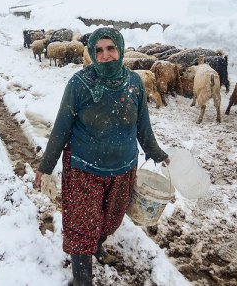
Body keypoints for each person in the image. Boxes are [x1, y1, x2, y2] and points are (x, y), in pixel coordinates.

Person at [33, 27, 169, 285]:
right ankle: (82, 277)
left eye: (110, 48)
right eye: (99, 50)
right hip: (84, 168)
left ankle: (97, 245)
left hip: (123, 169)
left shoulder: (134, 83)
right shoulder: (79, 84)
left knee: (110, 219)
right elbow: (62, 127)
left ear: (120, 48)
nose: (105, 55)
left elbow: (142, 125)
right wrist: (45, 165)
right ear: (93, 54)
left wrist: (155, 152)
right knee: (82, 225)